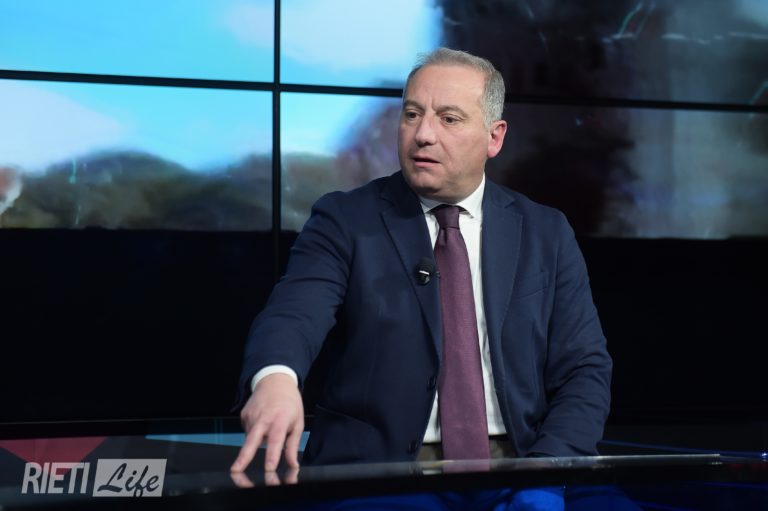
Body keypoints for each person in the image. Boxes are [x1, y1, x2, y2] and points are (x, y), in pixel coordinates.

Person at [231, 48, 612, 474]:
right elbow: (294, 315)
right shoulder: (345, 220)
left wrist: (548, 470)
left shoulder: (545, 232)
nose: (423, 134)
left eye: (449, 119)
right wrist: (276, 379)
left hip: (521, 462)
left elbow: (584, 369)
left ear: (494, 137)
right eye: (412, 114)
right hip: (382, 473)